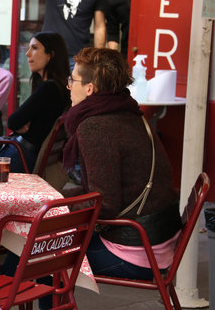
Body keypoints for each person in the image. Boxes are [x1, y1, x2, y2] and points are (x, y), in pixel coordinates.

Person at [62, 47, 181, 280]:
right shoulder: (131, 113)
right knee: (48, 244)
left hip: (137, 250)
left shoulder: (95, 126)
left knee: (39, 258)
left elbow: (104, 204)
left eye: (72, 80)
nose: (68, 86)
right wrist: (61, 200)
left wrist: (60, 207)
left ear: (89, 88)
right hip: (158, 238)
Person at [0, 32, 70, 173]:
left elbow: (13, 122)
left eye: (35, 48)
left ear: (50, 55)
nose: (27, 54)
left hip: (20, 157)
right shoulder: (60, 87)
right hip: (26, 155)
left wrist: (22, 123)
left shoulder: (49, 88)